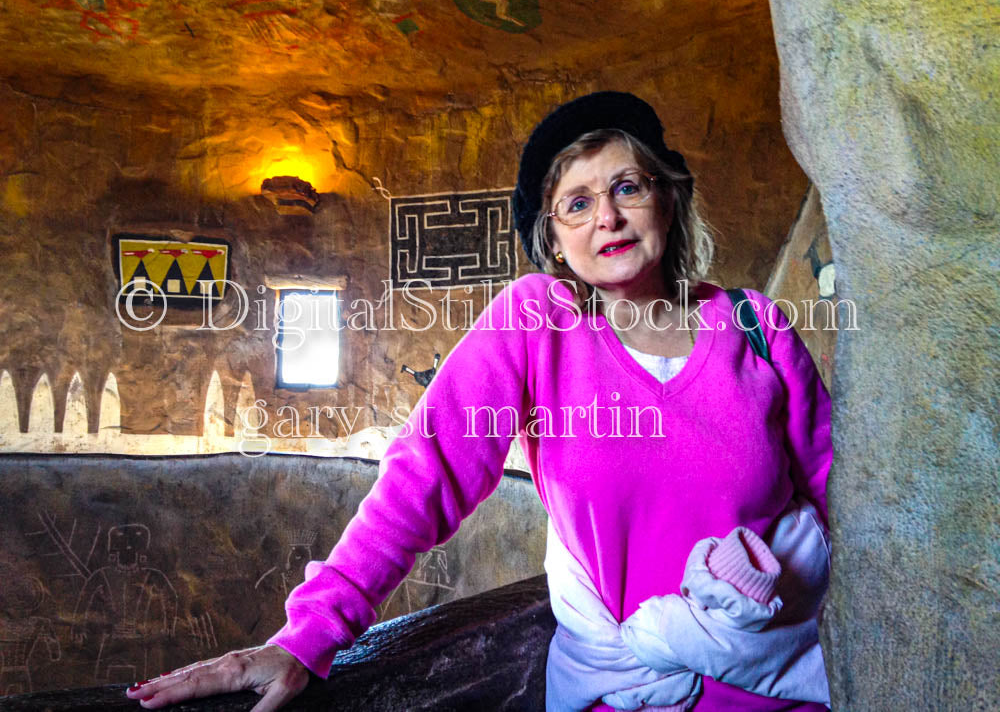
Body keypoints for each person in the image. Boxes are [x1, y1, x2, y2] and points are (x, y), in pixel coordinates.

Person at [126, 91, 831, 711]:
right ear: (553, 236)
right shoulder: (537, 322)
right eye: (576, 204)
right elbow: (425, 473)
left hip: (787, 684)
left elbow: (842, 499)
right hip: (621, 695)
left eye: (628, 188)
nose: (607, 218)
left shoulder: (755, 327)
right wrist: (308, 634)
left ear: (669, 198)